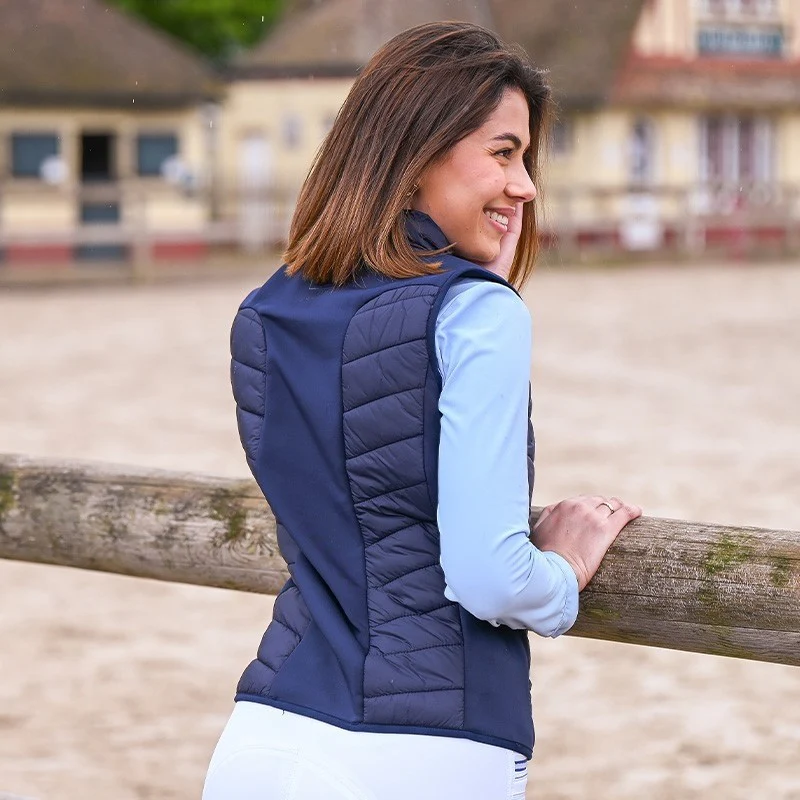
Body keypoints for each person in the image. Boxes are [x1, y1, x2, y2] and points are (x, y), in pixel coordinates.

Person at [203, 20, 642, 800]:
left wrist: (473, 277)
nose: (525, 186)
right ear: (415, 152)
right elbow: (491, 578)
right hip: (423, 749)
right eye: (503, 153)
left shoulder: (267, 313)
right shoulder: (476, 316)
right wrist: (565, 571)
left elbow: (358, 506)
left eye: (526, 160)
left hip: (264, 737)